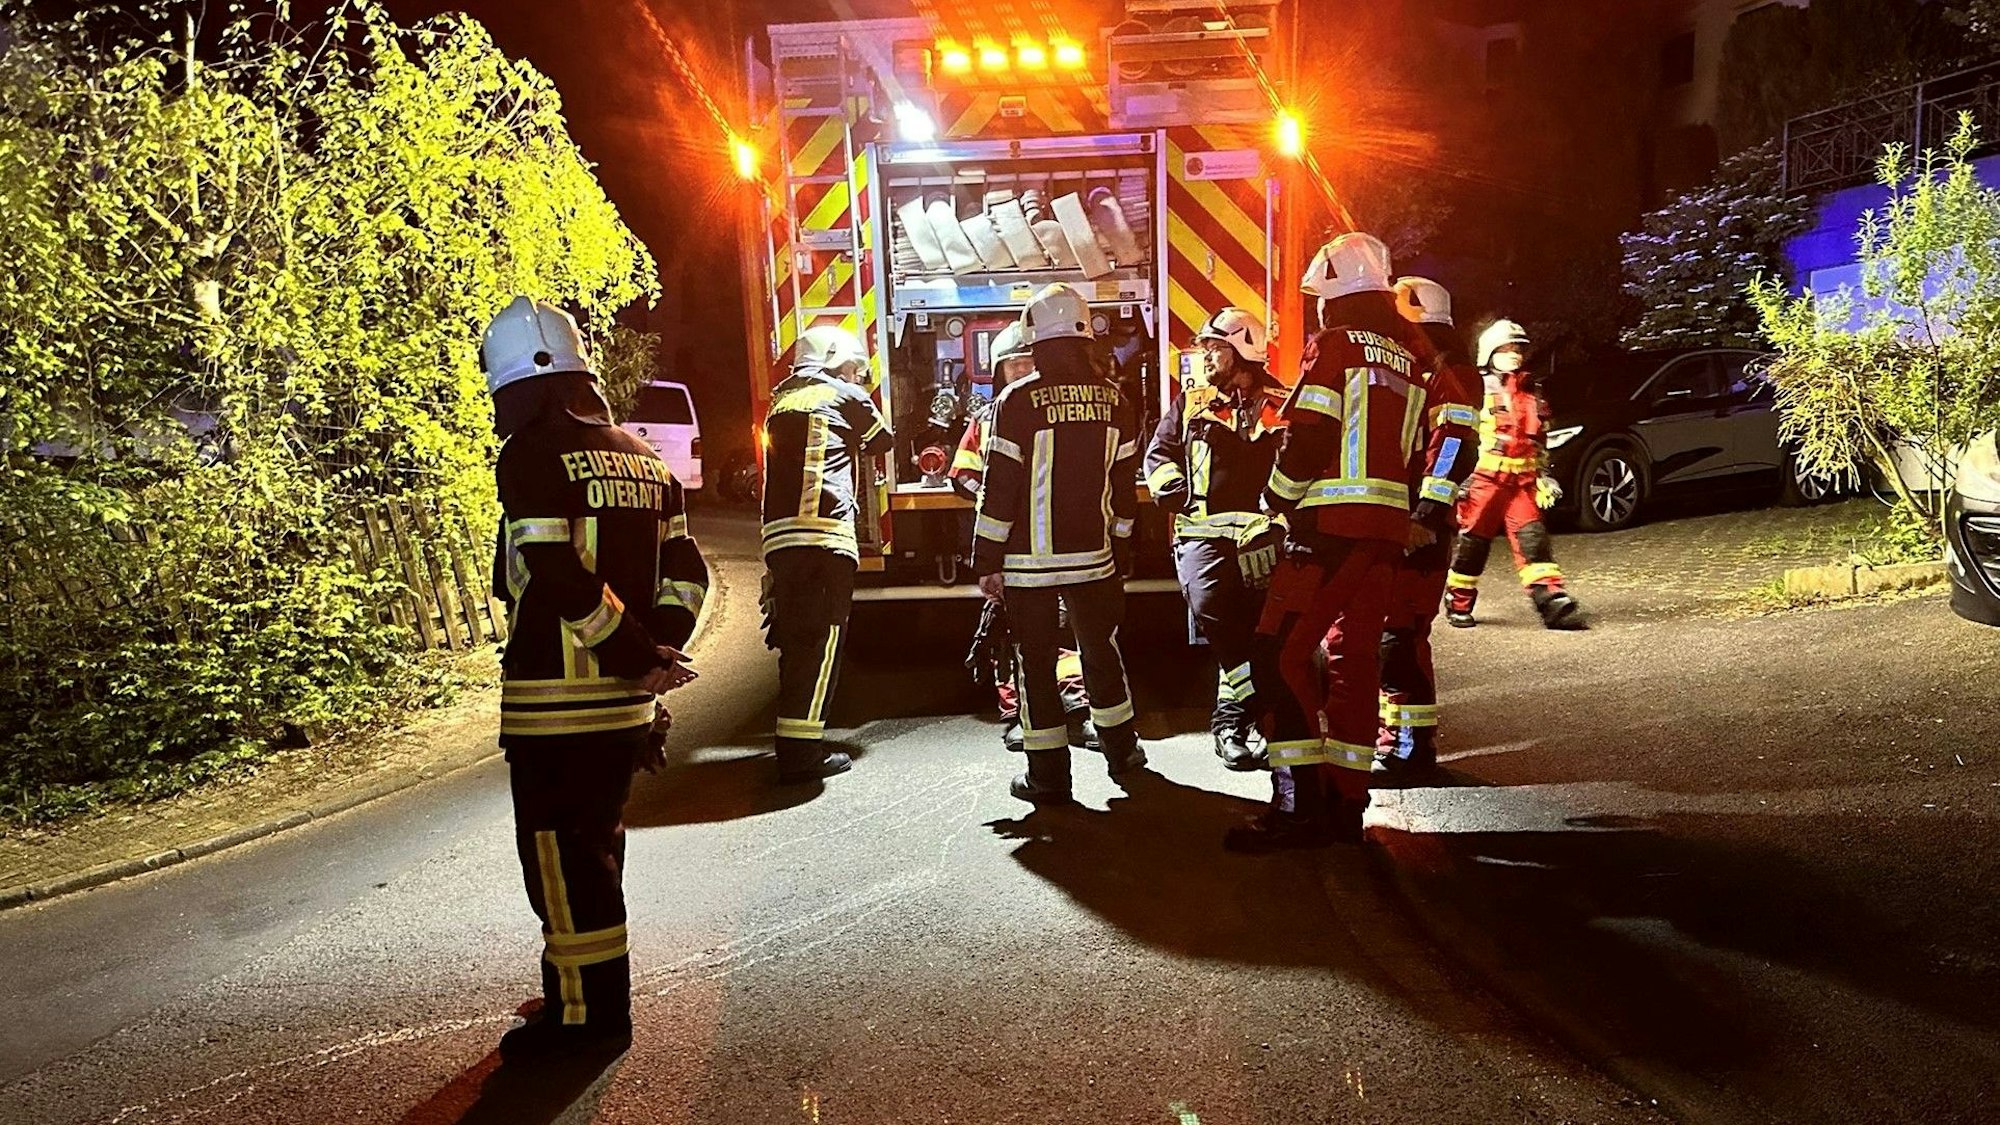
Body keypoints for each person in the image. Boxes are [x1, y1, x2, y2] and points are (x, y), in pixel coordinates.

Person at [484, 296, 708, 1061]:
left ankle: (586, 1019)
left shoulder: (530, 456)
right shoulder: (646, 457)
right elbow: (688, 573)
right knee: (597, 856)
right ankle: (586, 995)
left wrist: (633, 653)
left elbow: (552, 574)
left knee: (558, 862)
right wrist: (655, 654)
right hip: (621, 712)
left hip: (557, 708)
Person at [1227, 233, 1428, 852]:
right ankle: (1346, 805)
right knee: (1353, 660)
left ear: (1333, 294)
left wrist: (1274, 502)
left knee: (1274, 655)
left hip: (1330, 531)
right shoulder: (1407, 355)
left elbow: (1308, 438)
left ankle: (1297, 807)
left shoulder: (1334, 346)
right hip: (1385, 534)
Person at [973, 283, 1146, 803]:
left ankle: (1049, 779)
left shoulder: (1016, 401)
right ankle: (1124, 752)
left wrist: (987, 561)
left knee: (1037, 666)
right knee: (1102, 653)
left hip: (1029, 567)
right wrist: (1122, 549)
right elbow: (1125, 489)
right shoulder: (1116, 401)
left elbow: (999, 488)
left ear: (1033, 340)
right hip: (1095, 562)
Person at [1144, 307, 1286, 770]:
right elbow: (1159, 451)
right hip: (1201, 536)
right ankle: (1265, 712)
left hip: (1263, 537)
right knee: (1217, 617)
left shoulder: (1284, 404)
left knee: (1258, 633)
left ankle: (1230, 724)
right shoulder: (1193, 400)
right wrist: (1166, 483)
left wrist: (1278, 524)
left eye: (1215, 348)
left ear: (1243, 351)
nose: (1205, 356)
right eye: (1203, 348)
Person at [760, 325, 894, 782]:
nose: (858, 375)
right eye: (855, 367)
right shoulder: (842, 394)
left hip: (780, 540)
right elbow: (883, 440)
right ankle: (801, 756)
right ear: (836, 362)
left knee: (796, 641)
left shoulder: (782, 402)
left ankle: (790, 742)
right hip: (824, 536)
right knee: (822, 644)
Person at [951, 322, 1091, 752]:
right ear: (999, 371)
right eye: (1014, 364)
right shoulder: (987, 417)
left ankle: (1076, 708)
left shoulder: (1057, 409)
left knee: (1067, 626)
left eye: (1029, 362)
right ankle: (1017, 714)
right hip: (1010, 547)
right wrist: (992, 502)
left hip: (1057, 540)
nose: (1023, 371)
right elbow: (963, 473)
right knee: (1010, 631)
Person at [1373, 277, 1481, 776]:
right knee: (1390, 633)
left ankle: (1414, 748)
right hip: (1405, 518)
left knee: (1401, 635)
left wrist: (1425, 513)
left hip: (1422, 525)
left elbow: (1455, 443)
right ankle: (1398, 739)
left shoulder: (1449, 371)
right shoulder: (1420, 367)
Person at [1444, 319, 1583, 630]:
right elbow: (1458, 434)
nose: (1514, 354)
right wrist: (1457, 478)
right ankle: (1459, 599)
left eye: (1518, 349)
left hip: (1521, 484)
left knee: (1534, 541)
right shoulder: (1475, 389)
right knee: (1473, 545)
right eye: (1507, 348)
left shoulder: (1531, 390)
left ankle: (1552, 601)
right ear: (1489, 353)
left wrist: (1544, 476)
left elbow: (1540, 440)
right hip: (1484, 482)